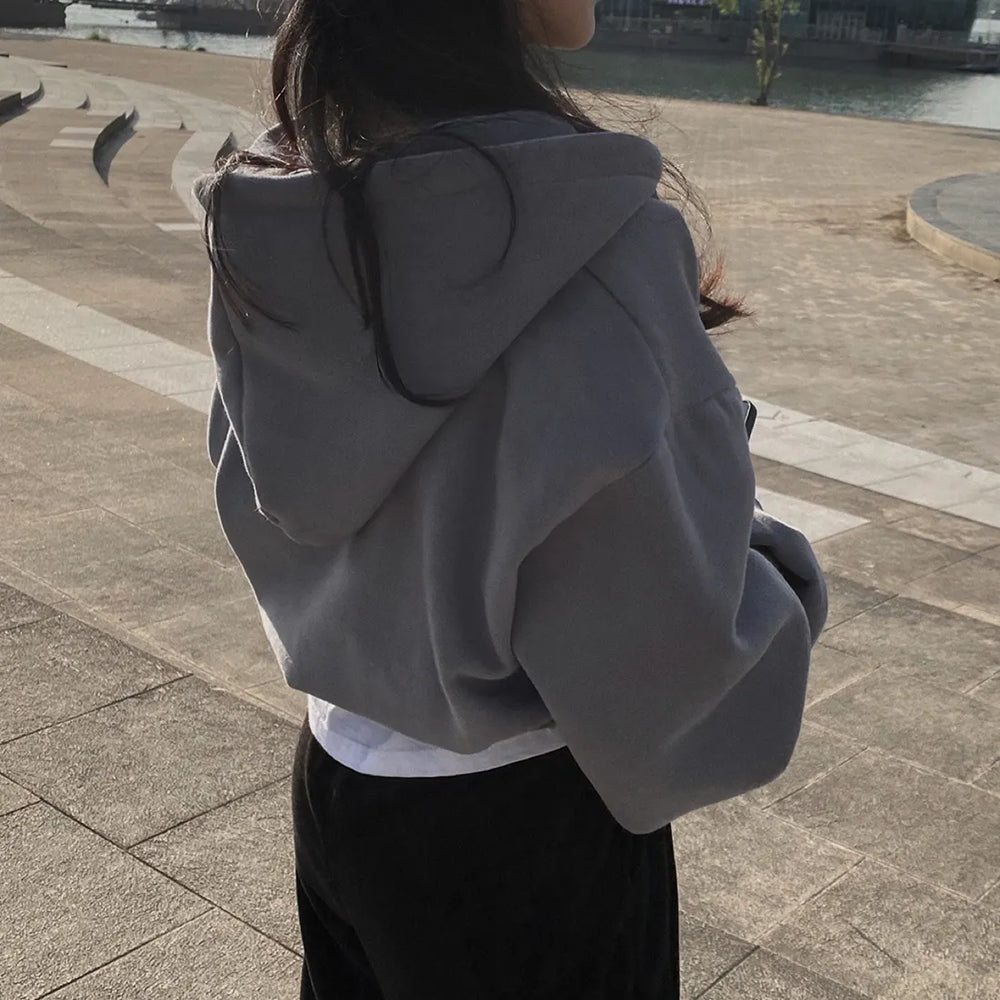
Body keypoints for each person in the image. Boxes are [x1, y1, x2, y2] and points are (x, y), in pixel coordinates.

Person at [195, 0, 828, 996]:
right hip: (527, 831)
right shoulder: (598, 236)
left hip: (342, 778)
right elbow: (667, 650)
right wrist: (781, 575)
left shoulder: (279, 205)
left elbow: (275, 493)